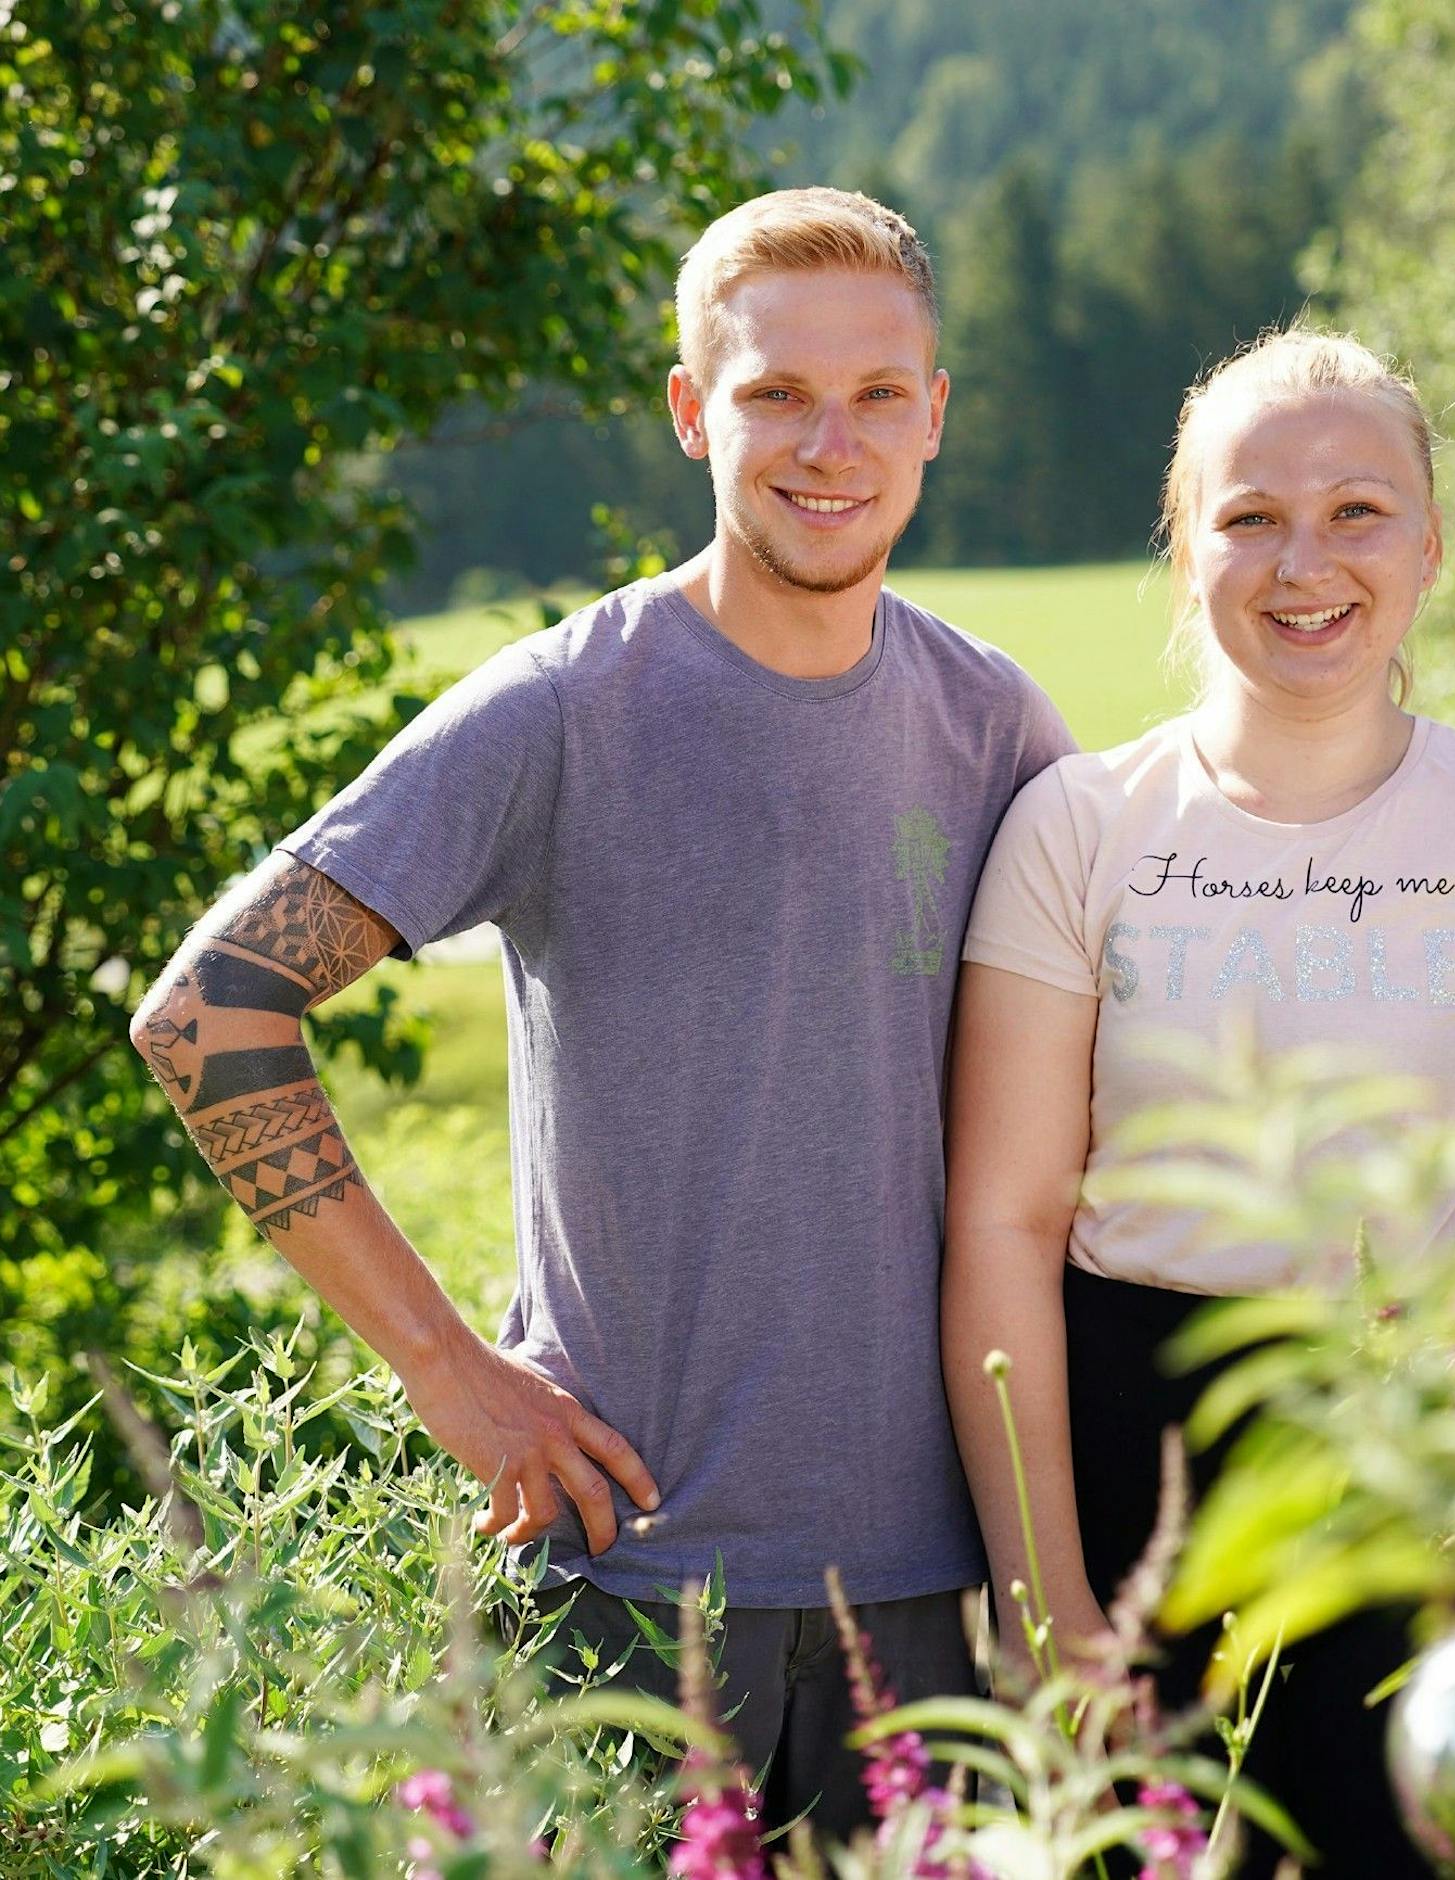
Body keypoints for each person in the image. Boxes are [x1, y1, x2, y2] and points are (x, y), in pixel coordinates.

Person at [130, 187, 1073, 1837]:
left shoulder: (994, 725)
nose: (827, 442)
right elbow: (208, 1011)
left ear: (935, 418)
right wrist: (447, 1371)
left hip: (938, 1602)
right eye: (776, 390)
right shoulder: (568, 707)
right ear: (694, 410)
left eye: (874, 395)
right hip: (619, 1592)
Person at [941, 328, 1455, 1874]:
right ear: (1185, 553)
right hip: (1130, 1462)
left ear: (1431, 548)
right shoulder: (1080, 826)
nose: (1303, 560)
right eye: (1248, 516)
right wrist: (1044, 1616)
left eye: (1358, 511)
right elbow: (1002, 1221)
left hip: (1420, 1460)